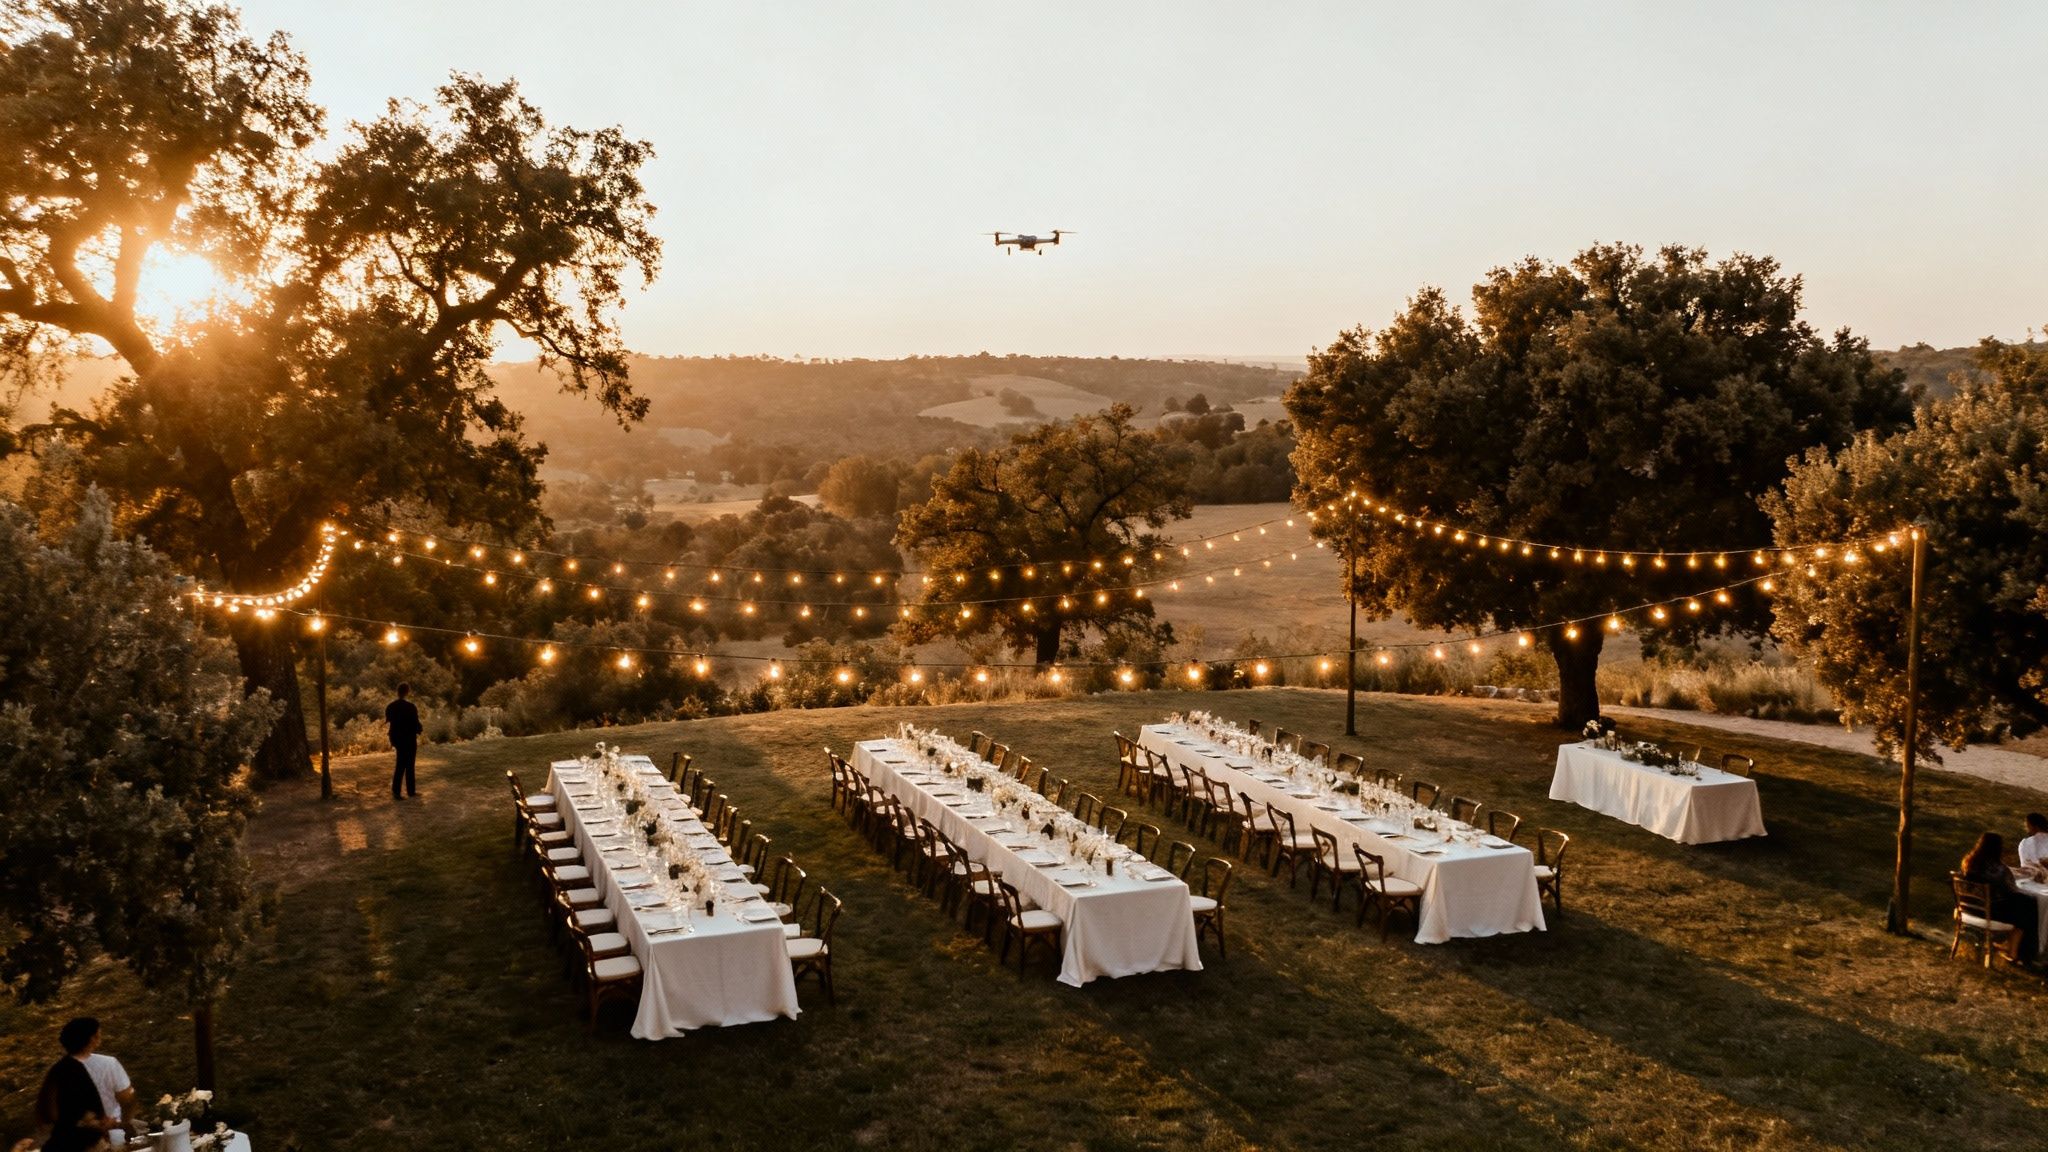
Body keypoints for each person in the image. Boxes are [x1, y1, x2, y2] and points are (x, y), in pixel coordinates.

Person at [32, 1018, 110, 1152]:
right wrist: (93, 1123)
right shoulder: (72, 1069)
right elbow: (59, 1112)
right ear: (92, 1039)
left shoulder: (61, 1068)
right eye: (98, 1034)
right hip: (78, 1143)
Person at [1961, 831, 2038, 961]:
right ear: (1998, 849)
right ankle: (2019, 952)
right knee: (2029, 906)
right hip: (1988, 911)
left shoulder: (1969, 862)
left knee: (2025, 905)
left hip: (1969, 907)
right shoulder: (2000, 869)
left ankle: (2011, 949)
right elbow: (2012, 890)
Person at [71, 1021, 133, 1148]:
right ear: (93, 1039)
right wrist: (123, 1122)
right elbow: (128, 1097)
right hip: (111, 1132)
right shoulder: (108, 1063)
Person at [385, 681, 423, 800]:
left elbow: (389, 720)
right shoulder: (411, 707)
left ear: (398, 692)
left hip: (397, 739)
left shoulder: (391, 706)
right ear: (407, 692)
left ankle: (396, 791)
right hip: (409, 739)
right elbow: (416, 724)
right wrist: (419, 729)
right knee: (410, 765)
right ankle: (411, 791)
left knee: (400, 764)